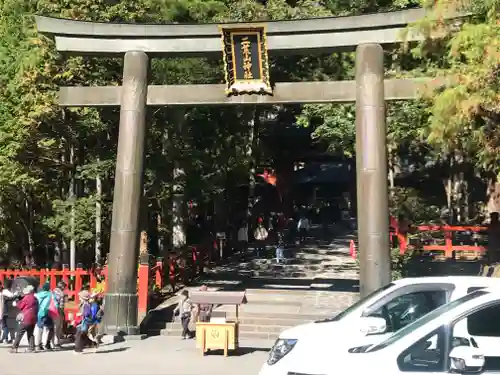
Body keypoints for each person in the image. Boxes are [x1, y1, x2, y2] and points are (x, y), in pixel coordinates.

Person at [10, 285, 38, 353]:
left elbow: (20, 306)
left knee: (20, 332)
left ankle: (14, 348)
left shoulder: (27, 297)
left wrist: (16, 303)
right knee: (30, 333)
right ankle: (32, 348)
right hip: (33, 318)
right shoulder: (35, 298)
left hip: (26, 317)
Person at [35, 283, 56, 351]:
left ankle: (38, 345)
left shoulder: (40, 294)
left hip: (41, 313)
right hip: (48, 312)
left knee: (40, 328)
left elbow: (35, 298)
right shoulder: (50, 294)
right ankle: (47, 343)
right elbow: (55, 302)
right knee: (51, 328)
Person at [52, 281, 66, 349]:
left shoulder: (53, 292)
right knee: (57, 328)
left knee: (54, 328)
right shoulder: (61, 293)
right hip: (58, 312)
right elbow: (60, 305)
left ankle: (52, 342)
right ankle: (56, 343)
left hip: (52, 312)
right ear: (62, 286)